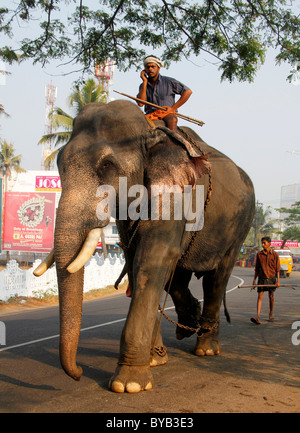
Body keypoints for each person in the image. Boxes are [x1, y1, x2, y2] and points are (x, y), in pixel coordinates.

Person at [136, 55, 192, 131]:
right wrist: (145, 81)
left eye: (153, 67)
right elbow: (140, 103)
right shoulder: (143, 86)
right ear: (145, 70)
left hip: (166, 113)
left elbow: (188, 92)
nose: (150, 69)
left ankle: (173, 140)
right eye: (148, 67)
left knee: (172, 119)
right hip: (149, 115)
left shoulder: (169, 82)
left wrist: (173, 108)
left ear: (158, 68)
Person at [250, 236, 280, 324]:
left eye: (264, 243)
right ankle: (258, 317)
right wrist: (254, 280)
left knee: (271, 296)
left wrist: (278, 281)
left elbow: (277, 269)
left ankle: (270, 315)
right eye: (262, 243)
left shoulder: (275, 254)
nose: (263, 245)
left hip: (271, 278)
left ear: (269, 243)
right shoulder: (259, 255)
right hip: (262, 278)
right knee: (260, 296)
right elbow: (257, 269)